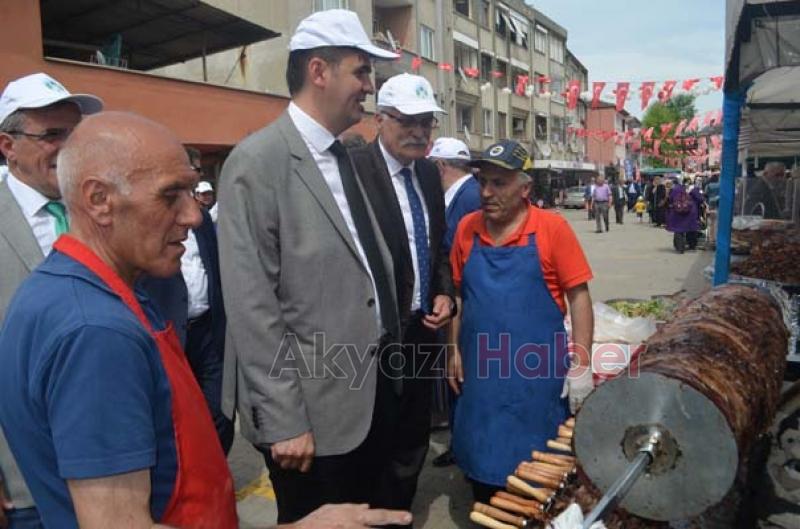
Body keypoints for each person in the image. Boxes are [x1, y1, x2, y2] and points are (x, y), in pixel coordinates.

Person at [0, 111, 411, 529]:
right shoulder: (96, 331)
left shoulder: (69, 290)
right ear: (99, 200)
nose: (194, 216)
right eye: (169, 195)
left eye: (190, 192)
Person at [217, 9, 406, 525]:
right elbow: (252, 306)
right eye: (361, 71)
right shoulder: (258, 163)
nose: (370, 86)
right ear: (319, 71)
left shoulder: (348, 154)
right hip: (310, 421)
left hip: (367, 398)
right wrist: (282, 421)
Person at [447, 140, 594, 504]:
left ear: (525, 188)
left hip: (536, 379)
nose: (486, 192)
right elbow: (459, 297)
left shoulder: (551, 229)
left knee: (539, 481)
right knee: (484, 480)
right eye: (482, 182)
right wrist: (453, 350)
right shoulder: (467, 229)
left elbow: (578, 297)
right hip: (481, 378)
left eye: (499, 183)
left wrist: (582, 364)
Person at [0, 72, 103, 529]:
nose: (69, 146)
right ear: (8, 145)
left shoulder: (102, 208)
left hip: (116, 464)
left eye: (75, 133)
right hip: (28, 479)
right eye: (52, 135)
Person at [349, 73, 455, 512]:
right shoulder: (353, 172)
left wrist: (445, 294)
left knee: (413, 433)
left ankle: (397, 514)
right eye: (407, 121)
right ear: (380, 120)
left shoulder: (429, 175)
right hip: (374, 334)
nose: (418, 131)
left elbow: (439, 247)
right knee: (373, 434)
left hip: (422, 328)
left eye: (426, 122)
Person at [139, 148, 233, 453]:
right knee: (181, 417)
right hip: (169, 335)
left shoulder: (201, 220)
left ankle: (214, 466)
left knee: (220, 411)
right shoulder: (146, 223)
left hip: (208, 332)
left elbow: (216, 266)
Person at [425, 136, 479, 468]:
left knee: (459, 372)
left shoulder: (468, 198)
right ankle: (460, 440)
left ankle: (464, 445)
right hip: (456, 299)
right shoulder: (459, 195)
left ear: (441, 166)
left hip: (464, 301)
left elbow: (459, 254)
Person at [666, 178, 704, 253]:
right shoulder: (694, 189)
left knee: (679, 230)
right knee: (691, 229)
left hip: (678, 211)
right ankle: (692, 246)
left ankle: (680, 247)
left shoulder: (676, 189)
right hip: (691, 211)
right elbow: (700, 199)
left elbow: (670, 199)